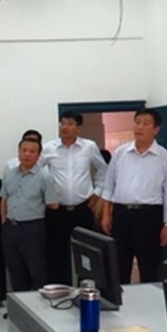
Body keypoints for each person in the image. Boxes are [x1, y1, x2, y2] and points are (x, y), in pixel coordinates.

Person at [100, 109, 167, 284]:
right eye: (137, 122)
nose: (139, 127)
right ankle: (120, 298)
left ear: (156, 129)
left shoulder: (164, 158)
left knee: (149, 266)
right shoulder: (120, 153)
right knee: (119, 264)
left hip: (149, 217)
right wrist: (106, 214)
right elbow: (109, 186)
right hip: (121, 215)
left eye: (145, 123)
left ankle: (149, 298)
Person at [41, 111, 108, 284]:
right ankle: (60, 289)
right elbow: (37, 173)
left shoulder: (89, 147)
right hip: (57, 211)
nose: (65, 127)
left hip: (82, 208)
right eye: (62, 123)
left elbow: (103, 169)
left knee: (86, 252)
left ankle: (86, 289)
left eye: (70, 124)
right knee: (56, 254)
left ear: (78, 128)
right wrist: (46, 196)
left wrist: (97, 192)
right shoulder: (49, 148)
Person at [0, 137, 58, 291]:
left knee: (37, 270)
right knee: (15, 269)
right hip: (10, 228)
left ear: (38, 155)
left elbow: (53, 204)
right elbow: (4, 199)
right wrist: (4, 221)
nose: (27, 154)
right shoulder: (10, 173)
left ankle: (39, 303)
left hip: (32, 229)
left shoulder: (45, 177)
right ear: (18, 152)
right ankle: (20, 303)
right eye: (24, 150)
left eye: (32, 151)